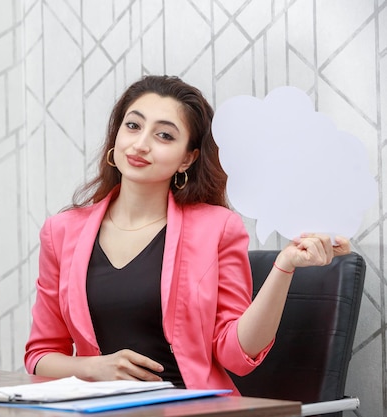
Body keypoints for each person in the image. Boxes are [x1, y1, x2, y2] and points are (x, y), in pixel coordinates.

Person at [23, 75, 350, 395]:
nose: (140, 144)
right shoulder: (62, 232)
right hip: (100, 407)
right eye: (133, 126)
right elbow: (40, 356)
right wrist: (94, 368)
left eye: (164, 135)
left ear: (188, 158)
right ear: (116, 135)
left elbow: (237, 354)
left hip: (190, 406)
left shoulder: (217, 228)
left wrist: (285, 267)